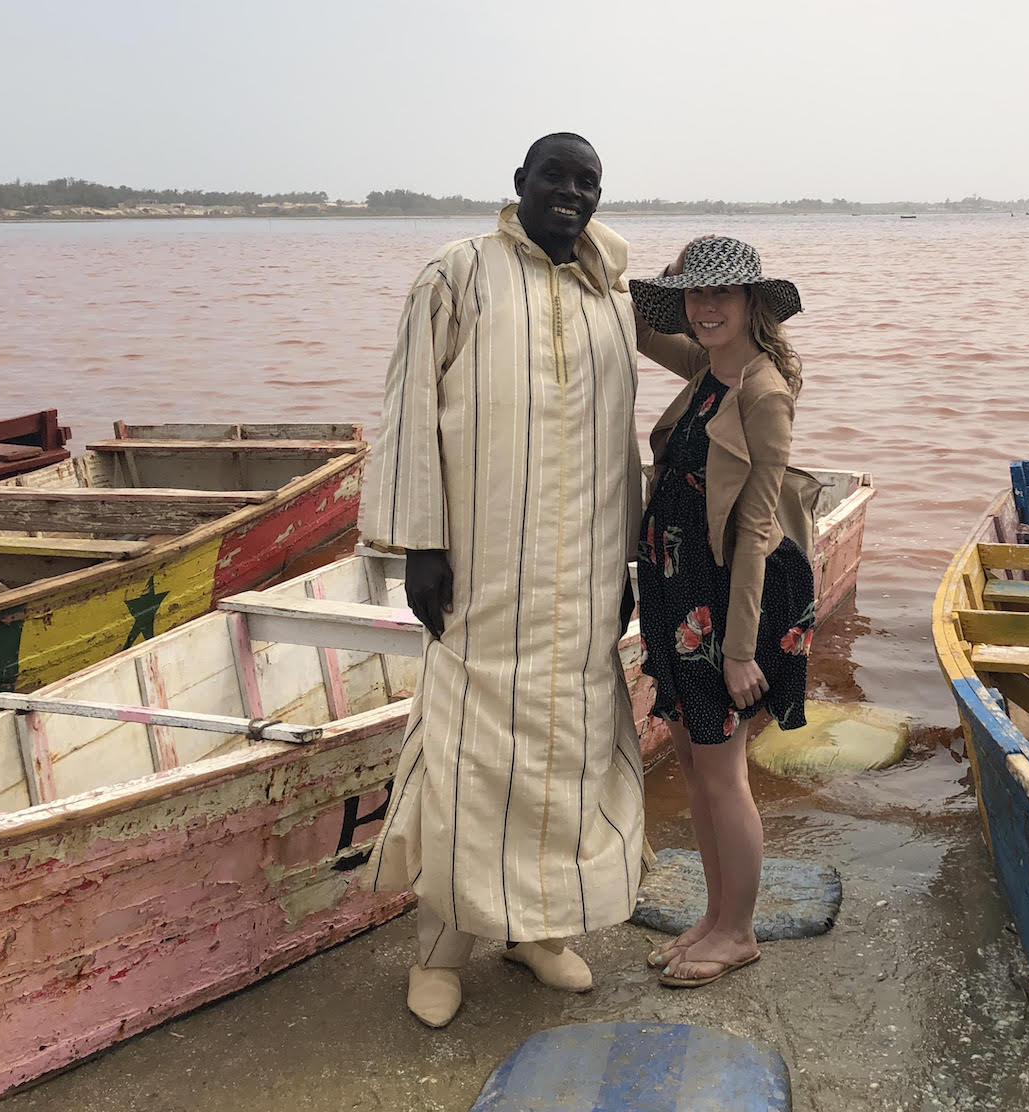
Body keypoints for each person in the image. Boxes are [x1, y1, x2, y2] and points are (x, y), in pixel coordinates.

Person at [358, 133, 645, 1028]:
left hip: (586, 572)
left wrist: (629, 556)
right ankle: (440, 949)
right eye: (554, 177)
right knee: (467, 754)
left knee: (570, 753)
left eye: (586, 181)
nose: (571, 193)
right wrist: (420, 545)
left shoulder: (613, 293)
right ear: (518, 184)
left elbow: (622, 433)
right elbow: (409, 407)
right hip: (484, 566)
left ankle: (537, 929)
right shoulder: (458, 274)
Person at [628, 236, 815, 988]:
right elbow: (640, 329)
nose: (706, 309)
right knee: (695, 763)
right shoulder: (709, 367)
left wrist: (741, 651)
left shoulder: (762, 390)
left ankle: (737, 930)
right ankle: (712, 915)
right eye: (695, 297)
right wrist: (667, 282)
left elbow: (756, 535)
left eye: (722, 295)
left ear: (752, 303)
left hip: (728, 602)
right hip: (678, 589)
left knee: (724, 770)